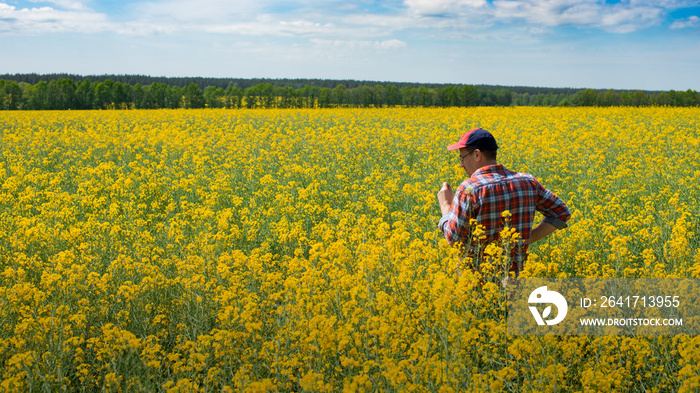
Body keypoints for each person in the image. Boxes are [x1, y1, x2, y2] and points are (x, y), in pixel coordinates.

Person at [436, 128, 571, 276]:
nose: (461, 164)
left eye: (462, 157)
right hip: (515, 283)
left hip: (476, 288)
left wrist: (445, 206)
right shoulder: (527, 182)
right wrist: (524, 240)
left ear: (477, 154)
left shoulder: (470, 189)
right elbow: (562, 213)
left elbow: (455, 240)